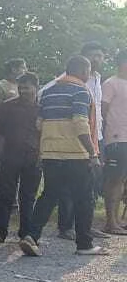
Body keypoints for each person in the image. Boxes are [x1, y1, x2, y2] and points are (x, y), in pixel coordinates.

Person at [25, 55, 106, 255]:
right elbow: (80, 123)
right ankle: (84, 244)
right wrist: (92, 152)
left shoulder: (48, 91)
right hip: (75, 153)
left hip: (51, 153)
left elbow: (38, 124)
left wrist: (40, 152)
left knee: (49, 195)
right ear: (83, 71)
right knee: (84, 198)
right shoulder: (80, 91)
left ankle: (31, 236)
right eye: (88, 71)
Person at [46, 42, 107, 240]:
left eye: (99, 55)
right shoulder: (65, 80)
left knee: (91, 186)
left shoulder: (97, 79)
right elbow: (43, 95)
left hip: (95, 137)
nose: (96, 59)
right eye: (92, 56)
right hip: (73, 142)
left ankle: (85, 227)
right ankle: (66, 227)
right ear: (83, 59)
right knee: (67, 188)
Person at [0, 73, 41, 256]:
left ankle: (26, 235)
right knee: (6, 196)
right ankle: (0, 233)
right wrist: (1, 153)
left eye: (27, 87)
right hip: (10, 156)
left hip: (34, 158)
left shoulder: (43, 109)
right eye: (21, 87)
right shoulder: (7, 107)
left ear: (36, 87)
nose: (24, 91)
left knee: (28, 197)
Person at [0, 58, 27, 207]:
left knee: (18, 167)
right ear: (14, 69)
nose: (25, 70)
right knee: (1, 167)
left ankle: (15, 202)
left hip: (20, 137)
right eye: (22, 68)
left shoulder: (22, 87)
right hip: (3, 135)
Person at [100, 49, 127, 234]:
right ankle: (110, 222)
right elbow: (103, 111)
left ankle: (118, 220)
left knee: (122, 181)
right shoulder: (111, 83)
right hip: (117, 138)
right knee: (115, 179)